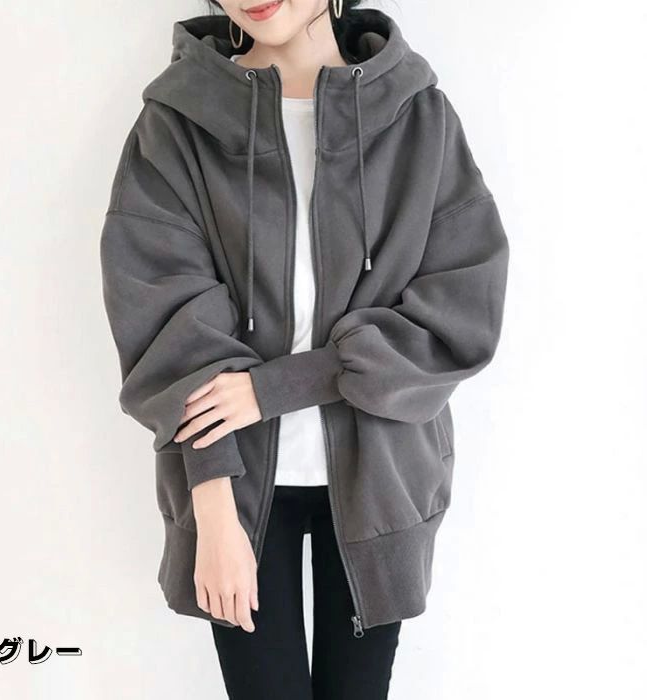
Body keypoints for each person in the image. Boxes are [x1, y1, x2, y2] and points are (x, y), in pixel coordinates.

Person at [99, 1, 510, 698]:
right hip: (235, 486)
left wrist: (274, 387)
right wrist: (214, 510)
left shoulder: (417, 116)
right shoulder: (178, 122)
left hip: (384, 478)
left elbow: (459, 313)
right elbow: (167, 326)